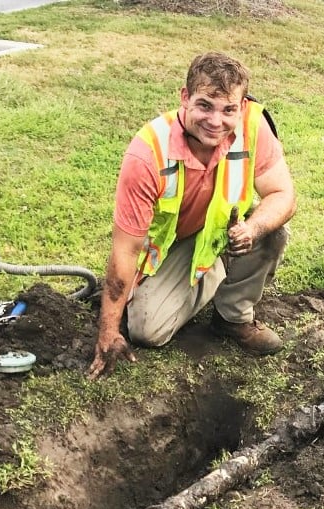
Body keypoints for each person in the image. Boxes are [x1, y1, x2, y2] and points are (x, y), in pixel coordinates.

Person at [88, 51, 296, 381]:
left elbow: (283, 194)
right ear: (185, 98)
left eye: (228, 109)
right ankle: (210, 274)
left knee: (272, 230)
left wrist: (253, 228)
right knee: (147, 331)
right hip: (169, 249)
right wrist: (108, 332)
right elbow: (126, 249)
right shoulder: (148, 152)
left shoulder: (253, 126)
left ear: (241, 107)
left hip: (220, 234)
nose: (216, 121)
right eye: (204, 106)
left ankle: (233, 316)